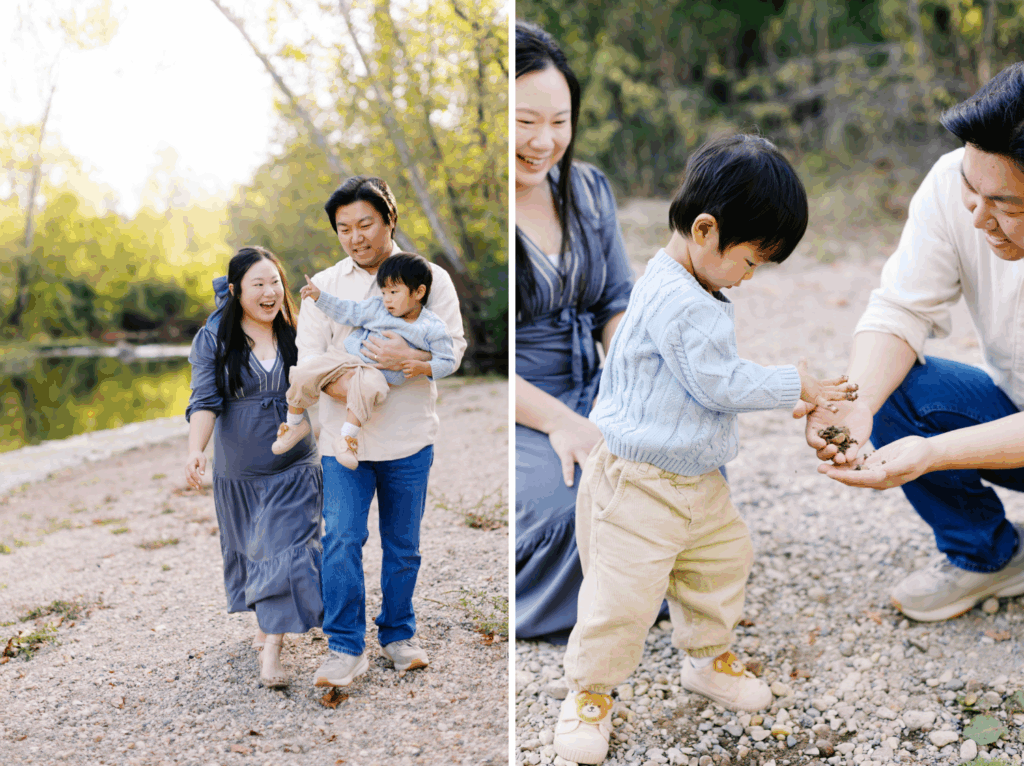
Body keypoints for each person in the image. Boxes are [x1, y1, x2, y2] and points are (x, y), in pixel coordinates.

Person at [553, 135, 858, 765]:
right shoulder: (675, 300)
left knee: (720, 563)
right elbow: (716, 381)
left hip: (697, 479)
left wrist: (784, 389)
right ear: (705, 229)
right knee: (622, 596)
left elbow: (711, 374)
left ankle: (706, 658)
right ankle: (589, 693)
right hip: (640, 483)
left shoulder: (695, 286)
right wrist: (788, 381)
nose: (750, 278)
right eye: (751, 262)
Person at [808, 62, 1024, 622]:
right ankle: (988, 555)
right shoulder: (957, 183)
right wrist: (856, 405)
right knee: (898, 388)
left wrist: (934, 454)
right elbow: (900, 308)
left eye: (1007, 206)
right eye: (970, 191)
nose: (978, 217)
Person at [296, 176, 466, 688]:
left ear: (390, 219)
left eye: (365, 224)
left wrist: (409, 360)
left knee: (403, 544)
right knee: (342, 538)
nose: (355, 237)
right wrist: (353, 386)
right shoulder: (326, 287)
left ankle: (397, 635)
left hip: (410, 439)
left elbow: (453, 351)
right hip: (342, 442)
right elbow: (308, 360)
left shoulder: (428, 277)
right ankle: (345, 647)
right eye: (344, 228)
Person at [514, 20, 635, 644]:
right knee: (575, 509)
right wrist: (562, 422)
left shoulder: (587, 189)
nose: (544, 140)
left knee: (681, 475)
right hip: (519, 407)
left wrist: (627, 379)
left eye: (559, 120)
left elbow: (617, 299)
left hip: (596, 384)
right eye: (523, 120)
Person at [184, 246, 323, 690]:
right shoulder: (214, 340)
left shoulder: (300, 334)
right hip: (239, 472)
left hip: (296, 465)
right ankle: (267, 621)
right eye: (258, 284)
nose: (270, 292)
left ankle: (272, 654)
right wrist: (195, 451)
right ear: (235, 290)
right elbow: (204, 402)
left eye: (275, 282)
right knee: (252, 550)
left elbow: (324, 389)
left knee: (285, 548)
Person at [270, 253, 457, 470]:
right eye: (384, 291)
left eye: (394, 292)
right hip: (347, 357)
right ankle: (294, 423)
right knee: (304, 371)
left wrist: (423, 366)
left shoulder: (431, 327)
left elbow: (447, 360)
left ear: (419, 292)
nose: (387, 299)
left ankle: (347, 439)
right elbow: (348, 311)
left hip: (375, 372)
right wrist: (319, 296)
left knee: (369, 388)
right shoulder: (377, 307)